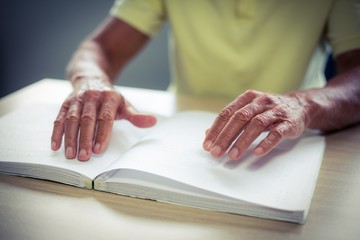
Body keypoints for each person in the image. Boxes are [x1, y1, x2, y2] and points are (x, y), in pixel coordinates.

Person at [51, 0, 360, 161]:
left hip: (293, 138)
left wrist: (301, 105)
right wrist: (90, 80)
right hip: (180, 130)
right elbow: (100, 48)